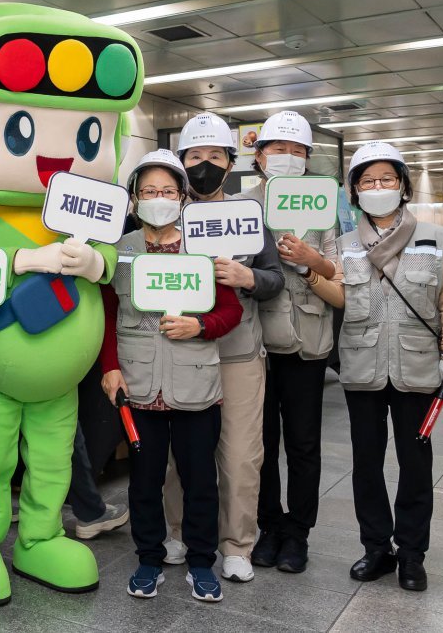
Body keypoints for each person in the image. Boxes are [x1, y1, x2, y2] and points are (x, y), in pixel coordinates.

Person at [100, 151, 243, 603]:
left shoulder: (202, 248)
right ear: (134, 199)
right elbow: (106, 313)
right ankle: (148, 559)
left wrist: (199, 326)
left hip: (195, 383)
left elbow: (231, 310)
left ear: (182, 196)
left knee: (200, 479)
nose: (157, 199)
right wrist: (109, 367)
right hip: (138, 384)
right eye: (148, 192)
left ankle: (202, 563)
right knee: (144, 479)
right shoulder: (120, 250)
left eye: (166, 191)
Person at [159, 113, 286, 584]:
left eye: (215, 156)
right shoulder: (165, 213)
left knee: (240, 454)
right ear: (181, 162)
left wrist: (248, 277)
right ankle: (178, 532)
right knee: (180, 454)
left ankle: (236, 544)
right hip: (180, 352)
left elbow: (274, 278)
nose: (205, 165)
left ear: (231, 164)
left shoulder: (249, 216)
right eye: (196, 157)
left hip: (238, 352)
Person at [336, 142, 443, 592]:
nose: (377, 188)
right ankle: (376, 548)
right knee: (366, 464)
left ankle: (412, 553)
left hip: (418, 369)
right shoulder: (344, 245)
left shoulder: (435, 236)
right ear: (354, 190)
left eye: (386, 180)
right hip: (361, 367)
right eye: (367, 181)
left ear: (403, 186)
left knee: (415, 464)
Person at [243, 110, 344, 574]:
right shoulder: (241, 205)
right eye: (277, 149)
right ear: (259, 156)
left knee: (303, 443)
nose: (287, 157)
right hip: (254, 344)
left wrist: (310, 260)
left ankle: (298, 532)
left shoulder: (325, 206)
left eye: (297, 150)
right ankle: (268, 526)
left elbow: (339, 275)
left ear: (308, 158)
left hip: (307, 341)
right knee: (259, 443)